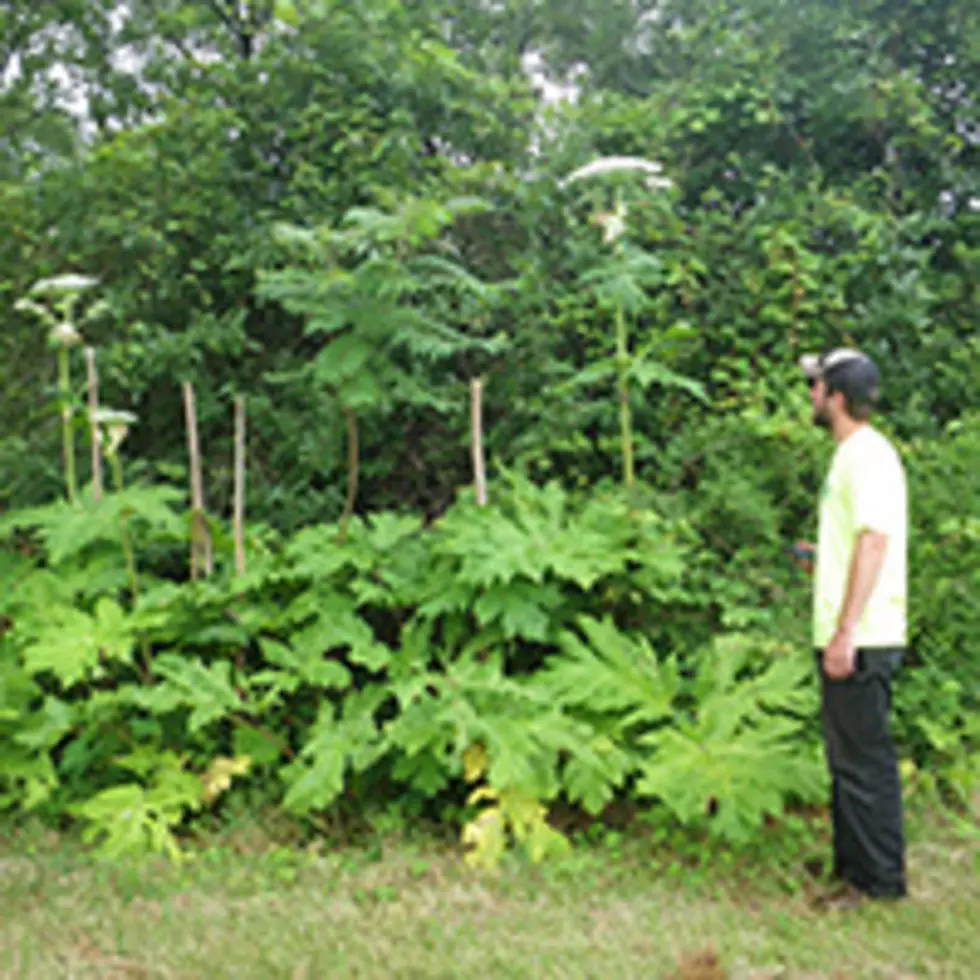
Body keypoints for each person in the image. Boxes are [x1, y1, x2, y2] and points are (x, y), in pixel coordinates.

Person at [796, 347, 909, 908]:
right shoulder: (854, 455)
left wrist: (845, 632)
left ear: (836, 397)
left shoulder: (865, 457)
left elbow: (874, 541)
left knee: (864, 764)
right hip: (854, 631)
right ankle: (853, 868)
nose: (811, 396)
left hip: (862, 637)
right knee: (848, 760)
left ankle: (878, 884)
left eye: (816, 387)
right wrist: (823, 556)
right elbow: (857, 542)